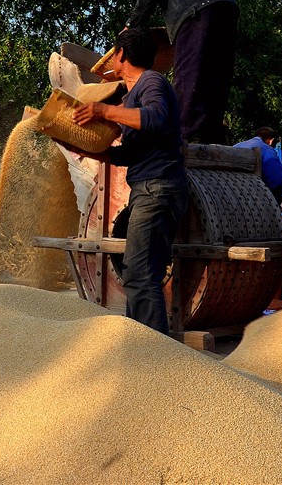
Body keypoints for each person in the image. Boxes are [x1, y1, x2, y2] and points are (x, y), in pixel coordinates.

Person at [71, 28, 189, 334]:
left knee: (138, 274)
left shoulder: (151, 81)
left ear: (121, 55)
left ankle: (153, 354)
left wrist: (103, 110)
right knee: (140, 273)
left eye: (113, 53)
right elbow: (132, 153)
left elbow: (157, 118)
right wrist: (92, 151)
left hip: (157, 188)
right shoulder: (133, 94)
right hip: (150, 187)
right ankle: (140, 344)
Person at [125, 0, 239, 145]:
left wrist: (132, 24)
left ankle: (184, 138)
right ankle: (209, 136)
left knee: (189, 74)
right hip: (226, 12)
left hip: (198, 14)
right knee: (215, 76)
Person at [234, 127, 282, 204]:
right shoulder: (267, 150)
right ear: (271, 141)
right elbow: (277, 178)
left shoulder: (235, 146)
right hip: (255, 196)